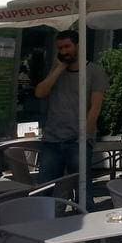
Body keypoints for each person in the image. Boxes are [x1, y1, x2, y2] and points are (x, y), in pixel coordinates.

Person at [34, 30, 109, 198]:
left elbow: (95, 108)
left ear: (78, 46)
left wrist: (85, 136)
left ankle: (87, 219)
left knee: (82, 190)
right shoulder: (57, 71)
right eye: (60, 48)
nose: (64, 51)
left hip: (77, 140)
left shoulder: (95, 72)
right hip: (52, 139)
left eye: (67, 46)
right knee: (44, 188)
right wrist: (59, 68)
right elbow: (40, 93)